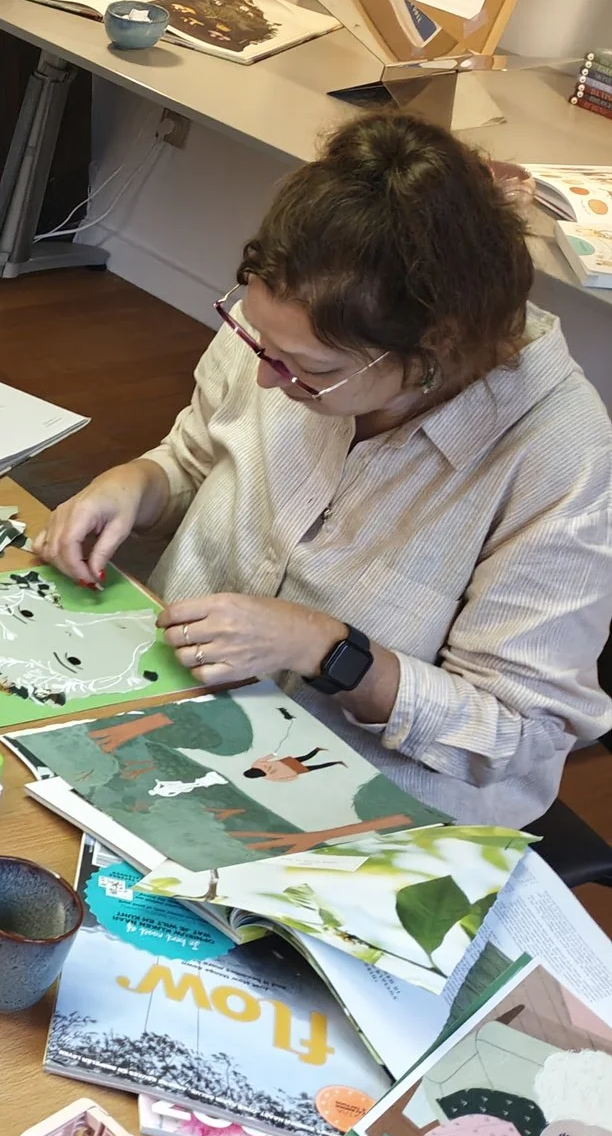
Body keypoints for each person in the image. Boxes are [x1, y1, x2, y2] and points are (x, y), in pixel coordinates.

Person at [36, 113, 612, 827]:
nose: (268, 378)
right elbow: (195, 457)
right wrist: (135, 482)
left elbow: (517, 730)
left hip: (365, 805)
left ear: (434, 350)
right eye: (259, 341)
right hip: (172, 704)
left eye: (310, 369)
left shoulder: (559, 453)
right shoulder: (289, 327)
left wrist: (326, 649)